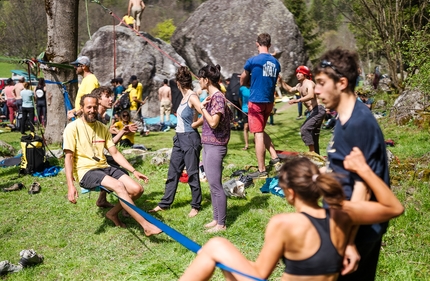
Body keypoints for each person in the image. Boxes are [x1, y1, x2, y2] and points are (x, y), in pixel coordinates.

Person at [179, 148, 404, 281]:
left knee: (216, 246)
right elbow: (395, 208)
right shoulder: (342, 215)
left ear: (290, 193)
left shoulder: (284, 223)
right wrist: (364, 171)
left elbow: (260, 273)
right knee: (228, 263)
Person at [314, 48, 392, 280]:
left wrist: (347, 241)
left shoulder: (360, 122)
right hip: (342, 224)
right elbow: (345, 171)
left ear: (341, 82)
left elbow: (362, 188)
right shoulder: (343, 118)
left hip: (357, 233)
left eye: (321, 82)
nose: (316, 90)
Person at [63, 94, 162, 236]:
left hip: (104, 167)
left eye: (95, 107)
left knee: (137, 189)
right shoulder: (72, 128)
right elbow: (68, 157)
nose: (92, 110)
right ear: (82, 108)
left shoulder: (102, 127)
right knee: (119, 186)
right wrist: (70, 186)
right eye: (88, 107)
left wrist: (133, 171)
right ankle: (146, 226)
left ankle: (112, 213)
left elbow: (115, 153)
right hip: (86, 171)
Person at [150, 67, 203, 218]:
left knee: (192, 173)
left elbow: (204, 114)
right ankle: (164, 203)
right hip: (179, 138)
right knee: (173, 172)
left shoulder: (192, 96)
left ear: (178, 83)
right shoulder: (184, 96)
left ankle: (196, 205)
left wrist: (194, 125)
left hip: (190, 138)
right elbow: (194, 114)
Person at [240, 33, 281, 178]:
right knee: (261, 130)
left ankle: (262, 170)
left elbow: (242, 80)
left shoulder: (252, 61)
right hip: (269, 102)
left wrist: (248, 82)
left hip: (256, 101)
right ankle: (275, 158)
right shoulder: (276, 63)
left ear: (257, 43)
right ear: (269, 44)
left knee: (257, 134)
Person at [199, 64, 232, 232]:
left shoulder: (218, 97)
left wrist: (202, 107)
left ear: (206, 80)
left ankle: (221, 224)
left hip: (216, 145)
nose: (198, 82)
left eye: (200, 79)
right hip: (208, 144)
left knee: (216, 185)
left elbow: (213, 122)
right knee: (212, 185)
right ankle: (216, 218)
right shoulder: (212, 97)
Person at [278, 65, 326, 154]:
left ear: (305, 74)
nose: (298, 74)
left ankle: (312, 154)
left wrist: (297, 100)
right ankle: (317, 155)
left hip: (318, 110)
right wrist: (281, 81)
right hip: (313, 112)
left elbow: (311, 95)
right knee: (313, 135)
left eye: (300, 73)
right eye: (297, 73)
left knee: (305, 129)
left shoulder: (309, 83)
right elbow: (289, 89)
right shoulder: (299, 85)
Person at [239, 83, 250, 150]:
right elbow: (239, 99)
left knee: (254, 128)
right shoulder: (242, 89)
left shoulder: (253, 87)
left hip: (253, 109)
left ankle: (256, 141)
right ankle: (246, 145)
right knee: (246, 127)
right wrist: (242, 108)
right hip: (245, 110)